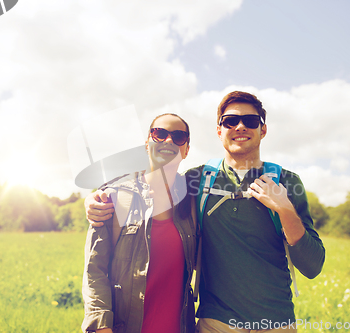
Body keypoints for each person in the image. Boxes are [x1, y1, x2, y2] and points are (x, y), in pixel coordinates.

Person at [86, 91, 325, 332]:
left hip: (277, 322)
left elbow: (312, 267)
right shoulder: (196, 180)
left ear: (263, 130)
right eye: (230, 121)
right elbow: (154, 179)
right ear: (219, 131)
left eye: (250, 121)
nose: (240, 126)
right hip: (215, 322)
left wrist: (285, 209)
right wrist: (99, 196)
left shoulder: (287, 182)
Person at [82, 114, 198, 333]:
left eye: (178, 136)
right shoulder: (113, 198)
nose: (168, 141)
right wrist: (101, 326)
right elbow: (94, 270)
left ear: (186, 150)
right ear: (147, 144)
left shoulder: (194, 200)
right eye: (160, 134)